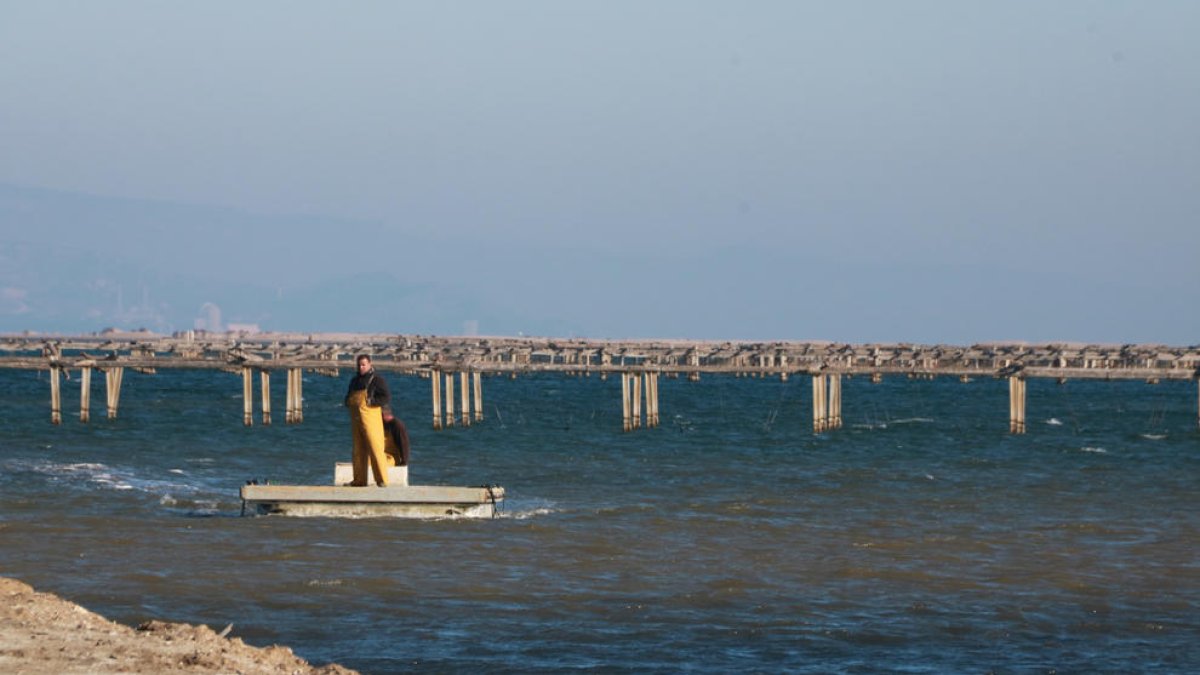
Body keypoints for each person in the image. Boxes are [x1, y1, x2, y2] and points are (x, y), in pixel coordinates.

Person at [343, 354, 391, 486]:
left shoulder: (376, 380)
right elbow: (348, 395)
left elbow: (386, 397)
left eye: (363, 364)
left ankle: (382, 480)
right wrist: (347, 401)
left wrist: (371, 402)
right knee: (358, 450)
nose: (361, 367)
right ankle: (359, 480)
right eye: (359, 365)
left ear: (370, 364)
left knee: (376, 448)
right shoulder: (354, 381)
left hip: (371, 419)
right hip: (356, 419)